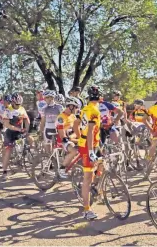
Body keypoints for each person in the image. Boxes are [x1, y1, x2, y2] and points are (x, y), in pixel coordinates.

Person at [77, 85, 103, 220]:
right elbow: (91, 131)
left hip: (94, 143)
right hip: (88, 146)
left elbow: (78, 125)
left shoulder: (87, 108)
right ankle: (86, 210)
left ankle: (95, 187)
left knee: (102, 164)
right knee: (87, 178)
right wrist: (91, 150)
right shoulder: (92, 110)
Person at [1, 93, 31, 180]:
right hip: (10, 132)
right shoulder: (8, 110)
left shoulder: (22, 109)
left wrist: (27, 130)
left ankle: (23, 158)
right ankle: (4, 171)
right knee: (8, 151)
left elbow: (27, 120)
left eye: (19, 104)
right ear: (13, 103)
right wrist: (18, 129)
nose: (18, 106)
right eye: (16, 104)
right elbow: (7, 124)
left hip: (19, 131)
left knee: (30, 140)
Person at [56, 97, 80, 178]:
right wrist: (69, 138)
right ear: (70, 106)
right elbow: (62, 134)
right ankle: (62, 169)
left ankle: (71, 167)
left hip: (70, 138)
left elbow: (76, 131)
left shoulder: (73, 116)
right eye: (76, 107)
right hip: (62, 140)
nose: (76, 109)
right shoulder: (60, 117)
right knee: (74, 150)